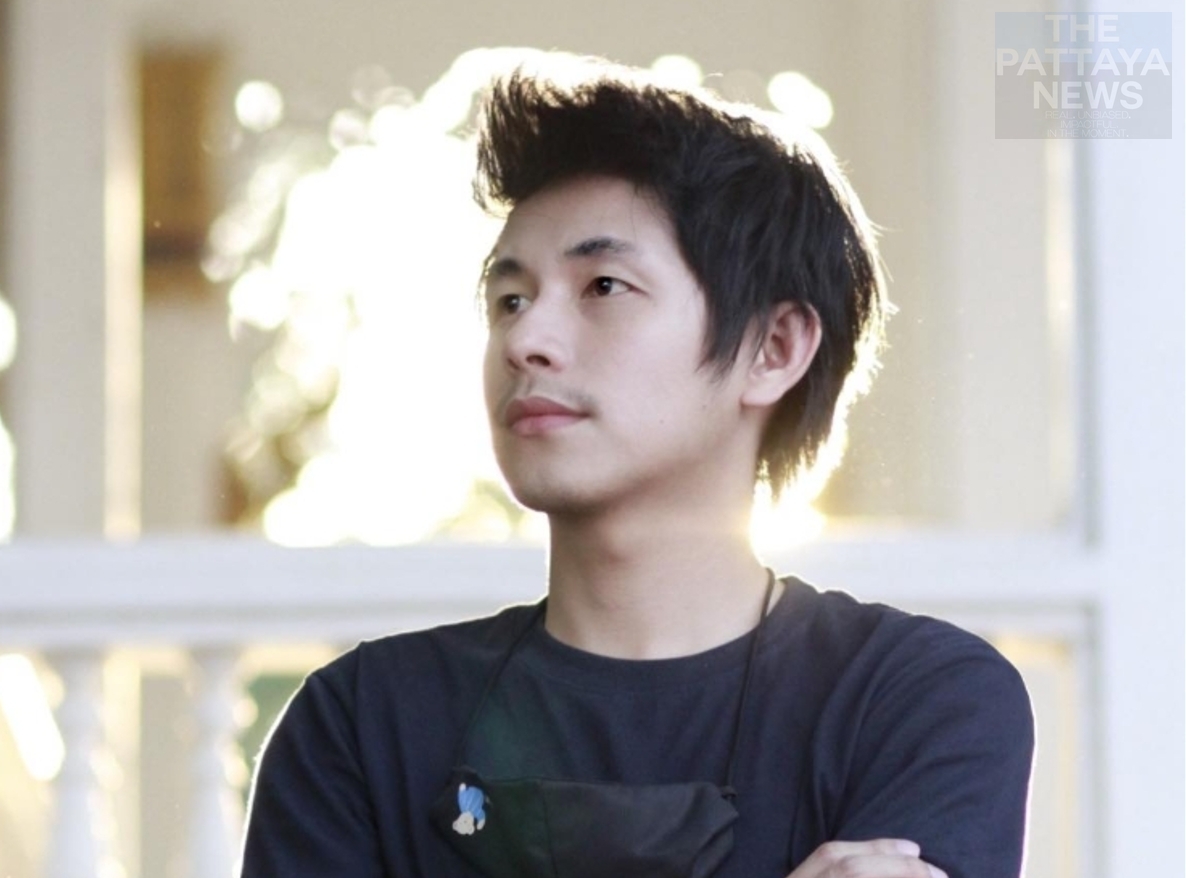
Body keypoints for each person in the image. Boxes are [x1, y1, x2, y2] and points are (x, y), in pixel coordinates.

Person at [239, 59, 1034, 878]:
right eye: (509, 300)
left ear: (773, 348)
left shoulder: (915, 700)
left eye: (603, 286)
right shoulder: (361, 723)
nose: (524, 340)